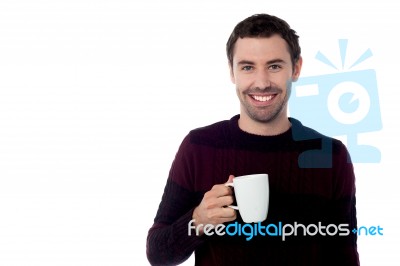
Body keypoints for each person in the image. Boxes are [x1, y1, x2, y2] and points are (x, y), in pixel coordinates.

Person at [146, 13, 359, 266]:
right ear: (232, 72)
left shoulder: (331, 155)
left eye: (274, 66)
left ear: (297, 69)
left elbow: (344, 256)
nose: (261, 82)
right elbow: (158, 254)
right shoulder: (198, 147)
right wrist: (198, 221)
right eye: (247, 67)